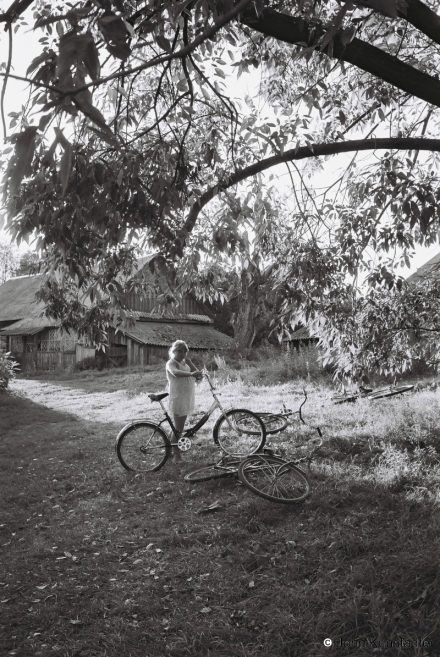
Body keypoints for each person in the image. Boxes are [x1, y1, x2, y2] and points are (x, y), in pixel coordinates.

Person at [166, 340, 202, 461]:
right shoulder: (171, 363)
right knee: (179, 429)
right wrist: (191, 373)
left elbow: (198, 375)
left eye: (184, 351)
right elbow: (175, 373)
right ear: (173, 351)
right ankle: (177, 455)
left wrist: (190, 363)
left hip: (187, 397)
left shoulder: (185, 362)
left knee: (177, 427)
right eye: (179, 351)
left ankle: (170, 450)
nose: (182, 354)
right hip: (178, 398)